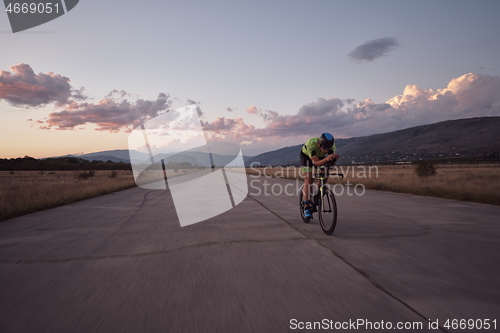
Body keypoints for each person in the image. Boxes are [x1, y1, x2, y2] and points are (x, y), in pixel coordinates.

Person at [300, 133, 339, 217]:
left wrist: (333, 160)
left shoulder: (331, 147)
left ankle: (317, 195)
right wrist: (327, 158)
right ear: (319, 144)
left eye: (328, 149)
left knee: (324, 176)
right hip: (307, 157)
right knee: (308, 179)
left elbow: (330, 164)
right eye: (324, 148)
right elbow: (316, 162)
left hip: (321, 158)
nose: (326, 150)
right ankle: (306, 206)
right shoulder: (311, 144)